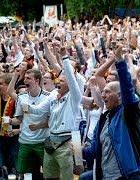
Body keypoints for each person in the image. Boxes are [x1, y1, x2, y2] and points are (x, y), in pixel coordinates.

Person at [83, 46, 140, 179]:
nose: (103, 94)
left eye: (108, 91)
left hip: (125, 175)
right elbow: (94, 150)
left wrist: (120, 62)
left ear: (120, 96)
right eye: (103, 91)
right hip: (105, 175)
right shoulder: (104, 118)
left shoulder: (128, 114)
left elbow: (127, 89)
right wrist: (78, 151)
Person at [23, 47, 82, 179]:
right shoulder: (54, 94)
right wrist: (26, 105)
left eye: (62, 80)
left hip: (67, 142)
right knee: (49, 177)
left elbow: (72, 79)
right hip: (51, 143)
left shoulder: (74, 96)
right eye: (58, 80)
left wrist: (65, 58)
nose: (58, 82)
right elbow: (39, 110)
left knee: (67, 177)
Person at [10, 69, 50, 179]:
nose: (25, 80)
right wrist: (9, 121)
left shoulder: (48, 97)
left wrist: (39, 126)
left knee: (47, 173)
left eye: (28, 78)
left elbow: (53, 122)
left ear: (37, 81)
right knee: (21, 173)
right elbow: (18, 119)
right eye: (25, 78)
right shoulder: (22, 97)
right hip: (25, 141)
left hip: (42, 142)